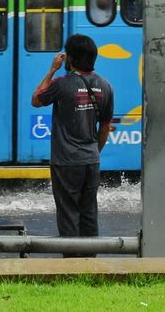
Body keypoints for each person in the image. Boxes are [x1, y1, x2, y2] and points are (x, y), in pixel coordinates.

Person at [31, 34, 114, 256]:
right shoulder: (106, 86)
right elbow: (104, 128)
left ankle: (72, 265)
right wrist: (94, 152)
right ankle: (90, 262)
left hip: (66, 162)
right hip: (91, 160)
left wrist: (51, 71)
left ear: (70, 60)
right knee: (89, 213)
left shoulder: (62, 84)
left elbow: (36, 99)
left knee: (68, 212)